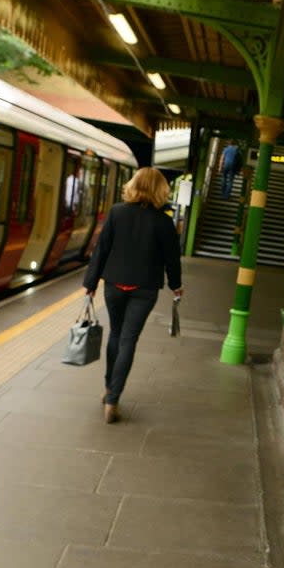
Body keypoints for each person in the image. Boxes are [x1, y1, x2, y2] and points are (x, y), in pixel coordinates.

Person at [83, 167, 183, 424]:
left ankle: (108, 389)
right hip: (144, 288)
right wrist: (176, 285)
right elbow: (172, 258)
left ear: (133, 185)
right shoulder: (164, 221)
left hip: (115, 285)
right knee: (129, 340)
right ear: (161, 190)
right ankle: (114, 399)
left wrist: (90, 283)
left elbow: (101, 249)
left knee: (115, 335)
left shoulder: (117, 212)